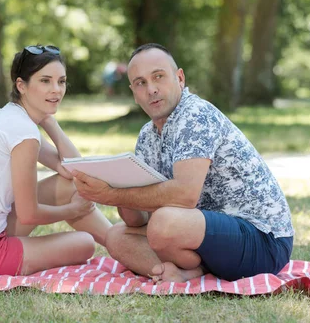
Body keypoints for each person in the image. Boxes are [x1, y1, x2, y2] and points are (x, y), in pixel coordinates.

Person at [72, 43, 294, 283]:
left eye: (159, 77)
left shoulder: (195, 114)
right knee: (116, 237)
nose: (152, 89)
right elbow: (137, 220)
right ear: (134, 93)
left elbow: (185, 195)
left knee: (164, 223)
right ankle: (191, 272)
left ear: (179, 78)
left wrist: (111, 195)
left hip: (263, 240)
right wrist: (115, 181)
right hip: (203, 233)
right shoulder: (147, 135)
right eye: (141, 83)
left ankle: (193, 270)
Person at [0, 44, 112, 277]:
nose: (56, 90)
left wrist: (50, 122)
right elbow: (29, 214)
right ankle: (121, 244)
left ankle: (118, 240)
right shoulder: (22, 132)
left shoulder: (11, 118)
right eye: (45, 81)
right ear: (21, 85)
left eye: (61, 81)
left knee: (69, 185)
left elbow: (74, 172)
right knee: (85, 243)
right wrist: (71, 209)